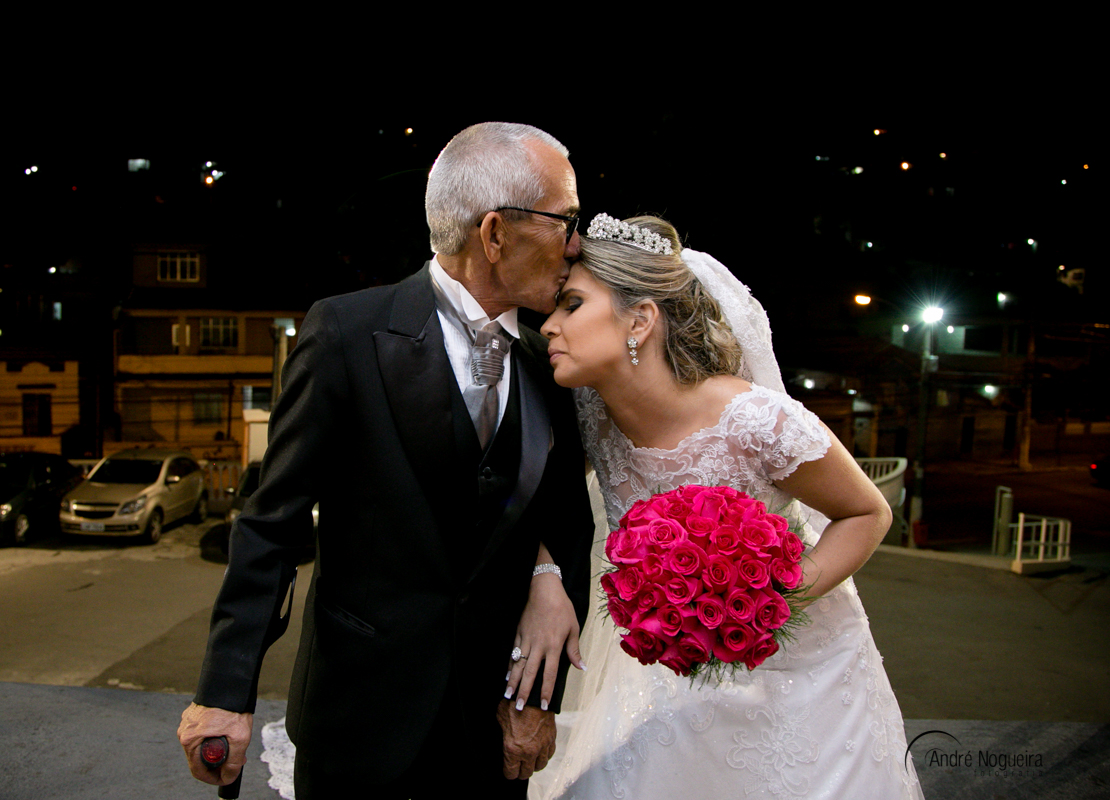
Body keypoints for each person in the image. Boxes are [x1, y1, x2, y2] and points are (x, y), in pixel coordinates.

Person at [177, 122, 596, 799]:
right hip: (357, 725)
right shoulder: (345, 333)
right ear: (495, 234)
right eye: (566, 220)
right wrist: (226, 690)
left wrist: (537, 695)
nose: (578, 244)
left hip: (491, 732)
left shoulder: (552, 362)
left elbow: (568, 525)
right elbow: (272, 523)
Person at [508, 214, 925, 799]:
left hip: (801, 671)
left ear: (641, 318)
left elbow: (867, 513)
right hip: (671, 665)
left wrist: (763, 602)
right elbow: (551, 501)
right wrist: (546, 576)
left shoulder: (756, 419)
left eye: (572, 305)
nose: (548, 325)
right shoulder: (590, 414)